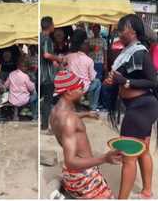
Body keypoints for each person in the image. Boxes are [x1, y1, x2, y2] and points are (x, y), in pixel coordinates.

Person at [105, 14, 158, 199]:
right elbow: (123, 78)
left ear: (133, 31)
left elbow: (152, 82)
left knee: (128, 157)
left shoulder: (140, 52)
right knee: (142, 151)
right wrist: (114, 80)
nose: (120, 31)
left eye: (123, 28)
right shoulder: (128, 51)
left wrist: (125, 81)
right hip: (141, 107)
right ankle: (146, 192)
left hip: (141, 108)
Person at [50, 70, 122, 199]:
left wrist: (86, 114)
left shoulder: (55, 112)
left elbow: (68, 119)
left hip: (71, 174)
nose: (83, 91)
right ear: (69, 92)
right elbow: (71, 161)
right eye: (80, 88)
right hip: (83, 176)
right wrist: (104, 158)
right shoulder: (69, 121)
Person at [65, 29, 102, 111]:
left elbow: (63, 69)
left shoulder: (68, 56)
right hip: (82, 88)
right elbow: (92, 78)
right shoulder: (89, 60)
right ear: (83, 45)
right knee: (97, 82)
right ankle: (93, 106)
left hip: (69, 87)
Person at [40, 16, 64, 130]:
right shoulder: (47, 39)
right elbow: (46, 55)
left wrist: (53, 61)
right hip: (47, 76)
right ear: (50, 26)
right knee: (47, 101)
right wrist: (58, 58)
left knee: (43, 99)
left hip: (39, 74)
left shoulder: (39, 37)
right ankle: (45, 125)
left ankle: (42, 122)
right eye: (53, 24)